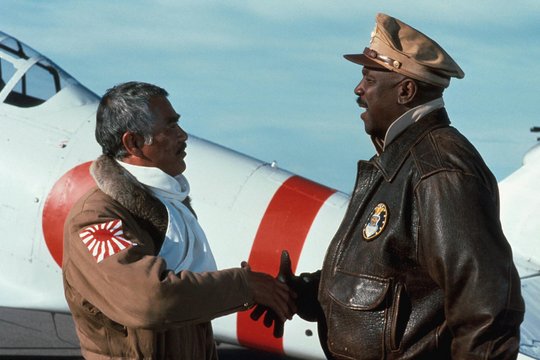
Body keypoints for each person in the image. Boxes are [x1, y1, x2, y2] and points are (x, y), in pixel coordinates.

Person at [255, 13, 525, 359]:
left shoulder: (440, 170)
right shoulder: (399, 163)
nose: (358, 89)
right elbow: (392, 277)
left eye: (369, 78)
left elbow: (486, 308)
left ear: (406, 91)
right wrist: (302, 293)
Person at [62, 81, 295, 359]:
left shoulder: (171, 207)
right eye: (170, 126)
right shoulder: (95, 217)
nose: (183, 135)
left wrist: (258, 292)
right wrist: (245, 286)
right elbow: (149, 299)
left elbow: (188, 301)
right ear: (133, 142)